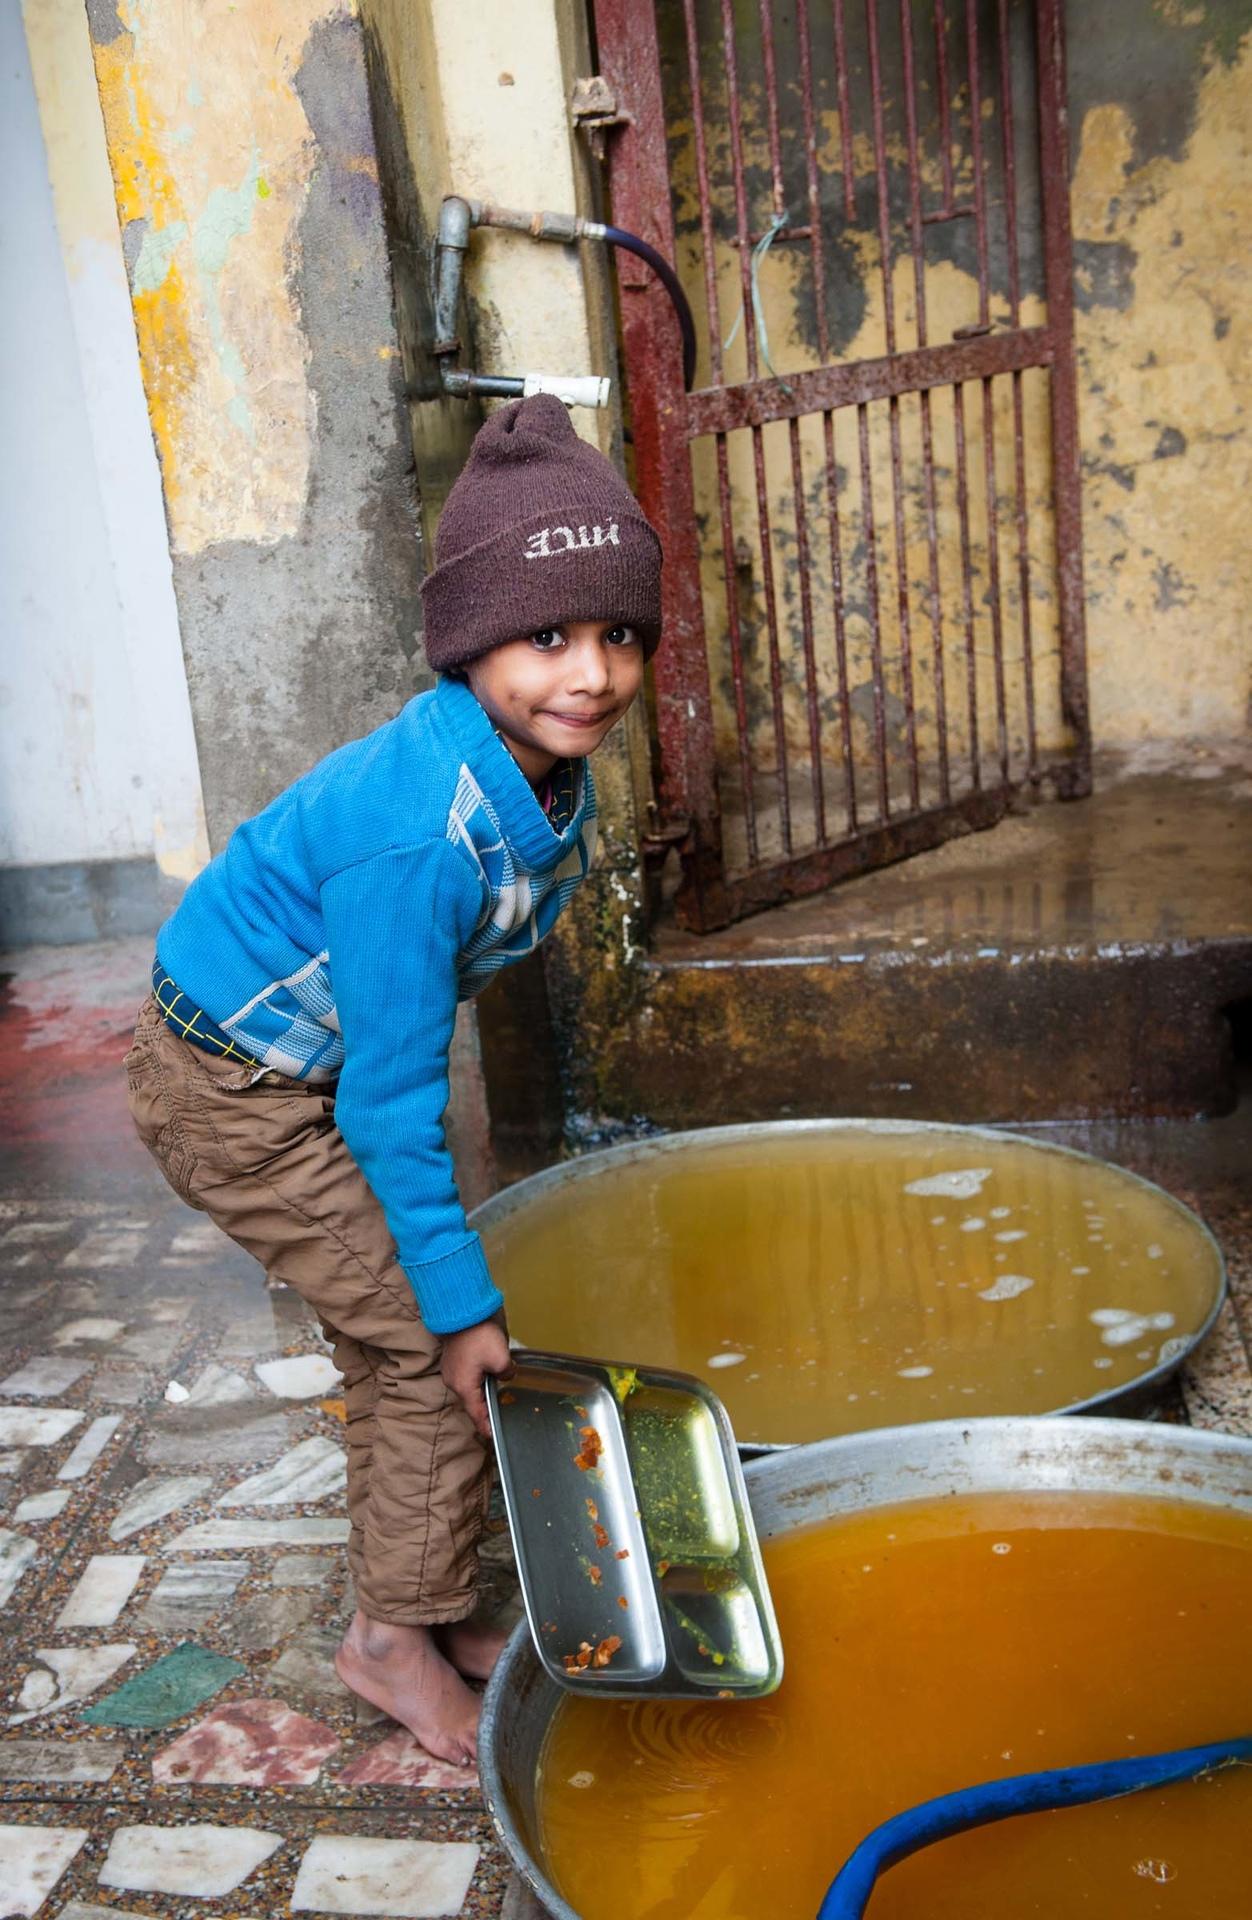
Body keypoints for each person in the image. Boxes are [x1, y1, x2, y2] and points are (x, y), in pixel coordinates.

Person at [123, 394, 662, 1764]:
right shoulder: (414, 833)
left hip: (297, 1067)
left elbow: (404, 1048)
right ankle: (388, 1646)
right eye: (547, 637)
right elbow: (385, 1105)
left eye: (618, 634)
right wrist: (458, 1295)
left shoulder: (534, 767)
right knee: (435, 1353)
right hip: (233, 1092)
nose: (589, 672)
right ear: (470, 646)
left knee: (424, 1328)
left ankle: (429, 1604)